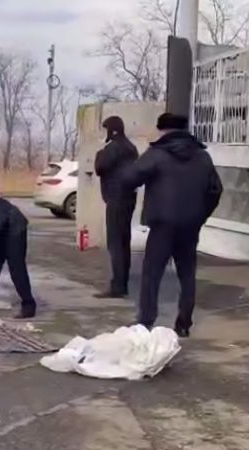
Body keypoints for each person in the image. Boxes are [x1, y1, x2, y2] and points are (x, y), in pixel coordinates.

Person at [125, 113, 222, 338]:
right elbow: (216, 191)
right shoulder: (203, 157)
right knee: (187, 274)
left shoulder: (157, 155)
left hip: (162, 225)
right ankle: (184, 323)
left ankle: (146, 321)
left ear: (163, 129)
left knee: (152, 274)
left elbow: (131, 177)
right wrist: (200, 216)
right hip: (190, 226)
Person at [94, 116, 140, 299]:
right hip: (129, 198)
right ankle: (123, 282)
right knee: (123, 242)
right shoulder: (131, 148)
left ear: (111, 131)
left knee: (115, 244)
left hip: (116, 198)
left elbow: (100, 167)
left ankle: (117, 286)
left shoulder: (113, 148)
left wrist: (100, 151)